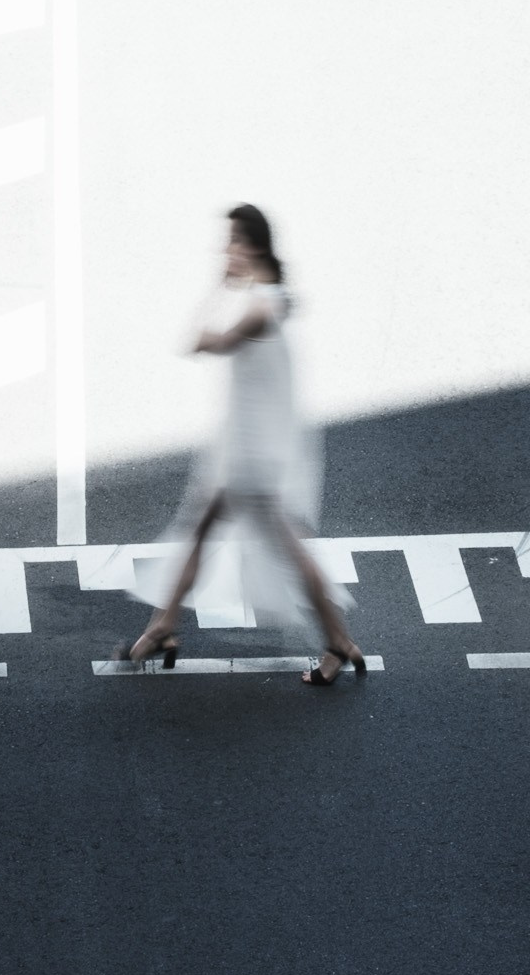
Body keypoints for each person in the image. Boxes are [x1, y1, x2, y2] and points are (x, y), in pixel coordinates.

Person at [119, 204, 367, 686]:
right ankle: (163, 627)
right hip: (245, 449)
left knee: (287, 550)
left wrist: (217, 289)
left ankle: (338, 640)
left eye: (232, 240)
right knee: (205, 530)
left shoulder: (259, 307)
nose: (225, 250)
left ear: (252, 246)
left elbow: (199, 342)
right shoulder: (268, 297)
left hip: (252, 459)